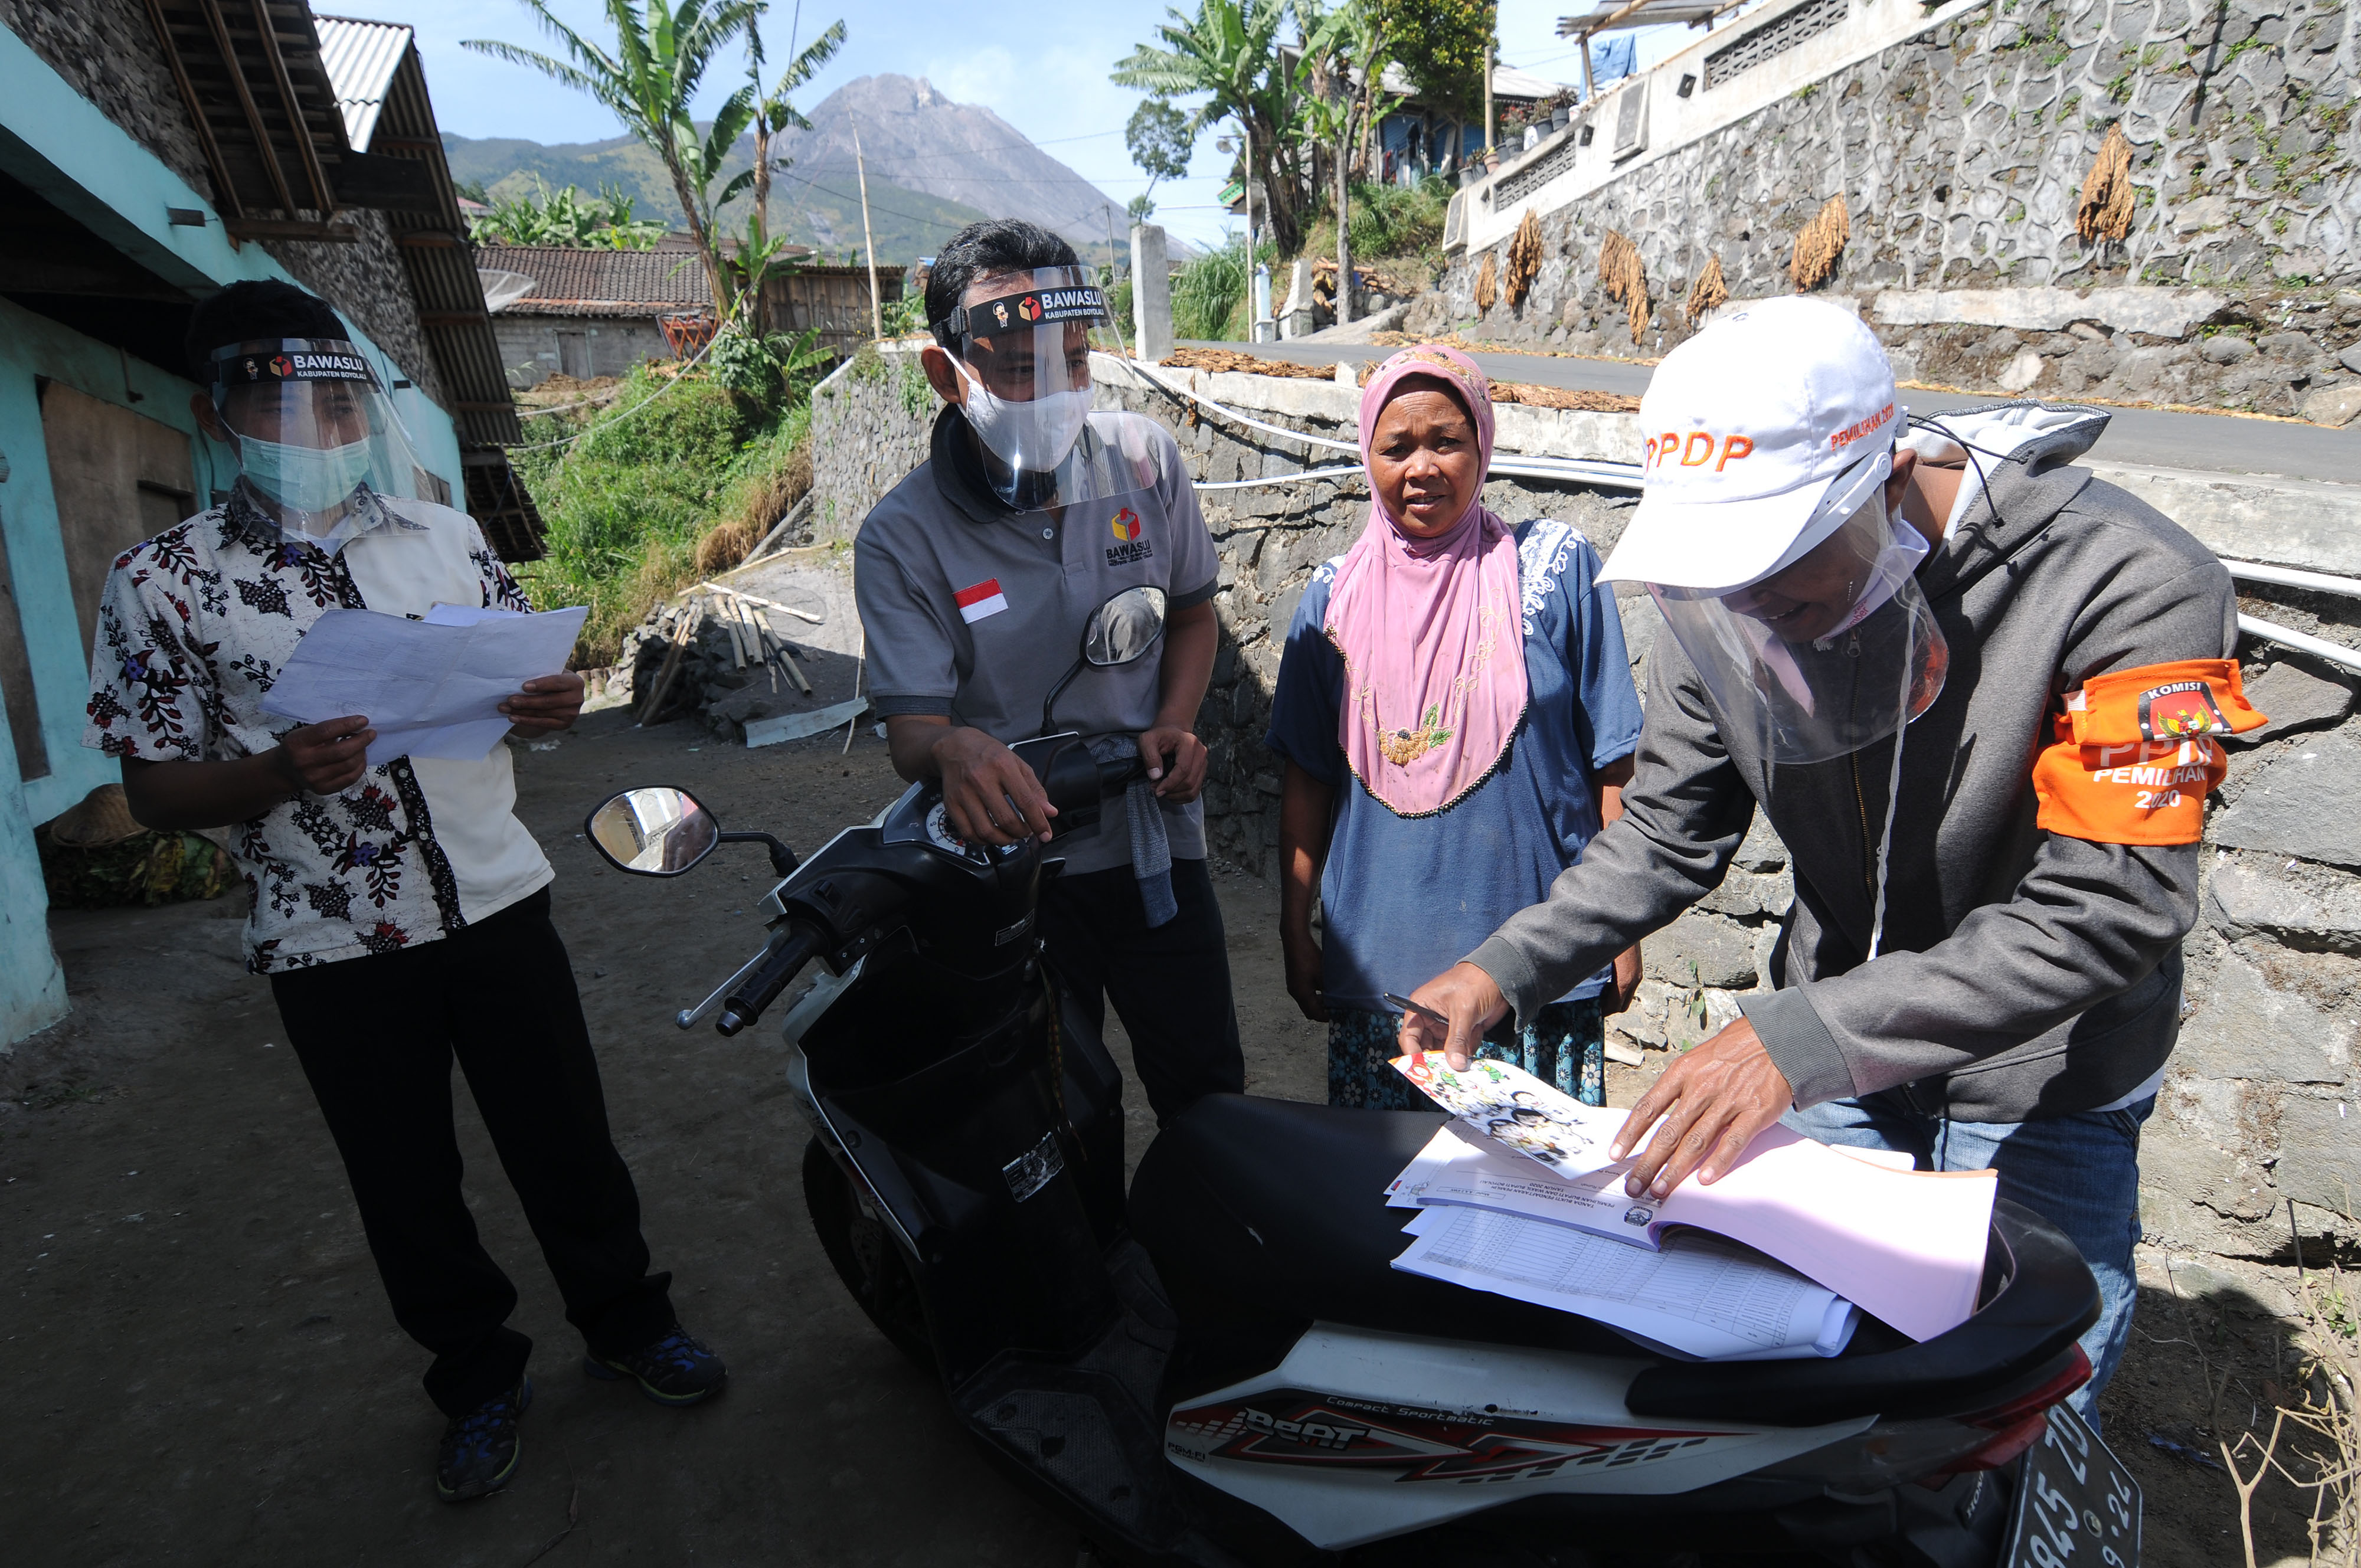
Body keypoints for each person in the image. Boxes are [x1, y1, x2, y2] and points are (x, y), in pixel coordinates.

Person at [1399, 297, 2258, 1419]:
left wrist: (1802, 1041)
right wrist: (1503, 965)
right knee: (1815, 1391)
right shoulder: (1735, 597)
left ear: (1884, 480)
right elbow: (1669, 827)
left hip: (2046, 1083)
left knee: (2021, 1412)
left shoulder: (2130, 583)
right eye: (1733, 586)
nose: (1761, 614)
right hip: (1834, 1066)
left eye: (1786, 579)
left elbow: (2110, 902)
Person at [81, 280, 725, 1503]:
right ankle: (477, 1381)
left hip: (496, 902)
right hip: (332, 940)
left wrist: (548, 707)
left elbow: (519, 697)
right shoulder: (162, 583)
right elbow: (156, 791)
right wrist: (272, 774)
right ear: (221, 417)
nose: (317, 433)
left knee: (566, 1141)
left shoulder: (442, 533)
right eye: (285, 409)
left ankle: (631, 1327)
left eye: (336, 406)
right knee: (405, 1180)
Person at [854, 219, 1243, 1124]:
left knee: (1208, 1089)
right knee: (1063, 1111)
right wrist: (955, 748)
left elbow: (1191, 614)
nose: (1059, 390)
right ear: (946, 373)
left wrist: (1176, 721)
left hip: (1154, 847)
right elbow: (915, 731)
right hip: (1009, 878)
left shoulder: (1145, 462)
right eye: (1020, 367)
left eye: (1073, 358)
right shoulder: (903, 538)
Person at [1263, 346, 1643, 1108]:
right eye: (1396, 447)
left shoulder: (1558, 568)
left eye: (1446, 441)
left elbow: (1612, 766)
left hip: (1542, 966)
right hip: (1383, 974)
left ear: (1484, 446)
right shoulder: (1331, 602)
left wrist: (1619, 928)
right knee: (1388, 1205)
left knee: (1539, 1204)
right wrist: (1294, 926)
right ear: (1367, 456)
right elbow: (1308, 778)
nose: (1422, 467)